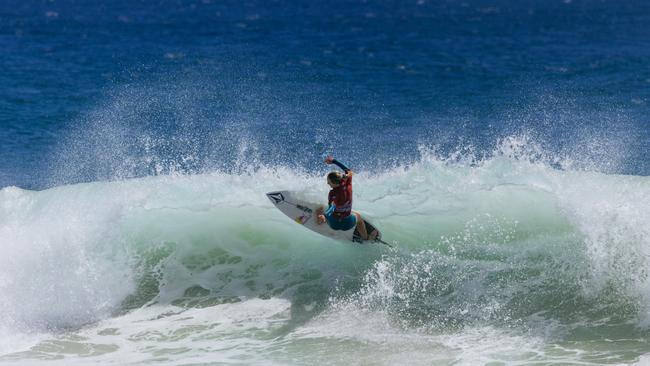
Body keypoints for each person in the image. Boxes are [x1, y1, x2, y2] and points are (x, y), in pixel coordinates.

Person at [316, 156, 377, 241]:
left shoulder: (332, 194)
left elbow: (332, 207)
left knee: (325, 212)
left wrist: (324, 215)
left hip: (334, 225)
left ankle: (321, 219)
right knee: (359, 218)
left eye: (329, 182)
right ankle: (365, 237)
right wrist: (334, 161)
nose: (327, 183)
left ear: (334, 183)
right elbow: (348, 170)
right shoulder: (348, 183)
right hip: (348, 224)